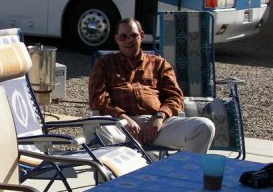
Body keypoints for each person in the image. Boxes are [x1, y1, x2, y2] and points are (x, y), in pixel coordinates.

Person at [88, 18, 215, 154]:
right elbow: (97, 98)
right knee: (95, 128)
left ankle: (183, 172)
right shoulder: (104, 64)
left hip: (156, 125)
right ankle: (118, 174)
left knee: (204, 127)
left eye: (133, 35)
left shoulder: (159, 64)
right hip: (120, 125)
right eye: (123, 36)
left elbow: (175, 96)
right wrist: (122, 118)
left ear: (141, 36)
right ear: (117, 39)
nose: (128, 40)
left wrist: (159, 118)